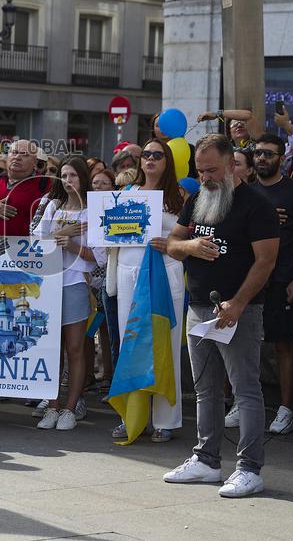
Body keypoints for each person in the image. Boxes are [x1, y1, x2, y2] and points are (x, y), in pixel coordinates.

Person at [164, 133, 279, 498]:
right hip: (200, 307)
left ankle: (249, 467)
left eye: (212, 170)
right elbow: (172, 244)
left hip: (237, 311)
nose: (206, 178)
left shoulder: (256, 205)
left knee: (245, 388)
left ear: (232, 165)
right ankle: (206, 460)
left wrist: (240, 303)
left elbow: (266, 261)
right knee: (205, 388)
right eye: (200, 171)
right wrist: (191, 245)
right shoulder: (198, 198)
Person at [108, 139, 187, 443]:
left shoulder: (179, 196)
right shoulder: (126, 194)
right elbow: (109, 233)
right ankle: (131, 417)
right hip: (129, 272)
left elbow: (188, 237)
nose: (151, 159)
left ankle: (166, 419)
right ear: (140, 162)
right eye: (147, 155)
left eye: (158, 155)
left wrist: (171, 244)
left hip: (165, 273)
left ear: (167, 161)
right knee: (131, 345)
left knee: (164, 343)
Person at [32, 156, 106, 431]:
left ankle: (70, 408)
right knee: (52, 349)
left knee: (75, 348)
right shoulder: (53, 205)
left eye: (73, 175)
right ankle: (51, 406)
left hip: (76, 282)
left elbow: (99, 258)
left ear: (83, 178)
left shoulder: (93, 212)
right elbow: (37, 244)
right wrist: (62, 234)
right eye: (64, 175)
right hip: (49, 284)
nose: (67, 180)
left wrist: (71, 245)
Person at [246, 134, 293, 435]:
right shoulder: (247, 192)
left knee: (283, 344)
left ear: (282, 157)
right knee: (244, 344)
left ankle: (286, 409)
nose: (262, 159)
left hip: (283, 279)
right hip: (250, 281)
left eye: (268, 154)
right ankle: (242, 402)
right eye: (258, 153)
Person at [0, 139, 50, 237]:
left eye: (24, 154)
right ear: (7, 158)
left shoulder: (45, 184)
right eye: (14, 152)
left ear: (35, 162)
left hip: (25, 250)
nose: (17, 157)